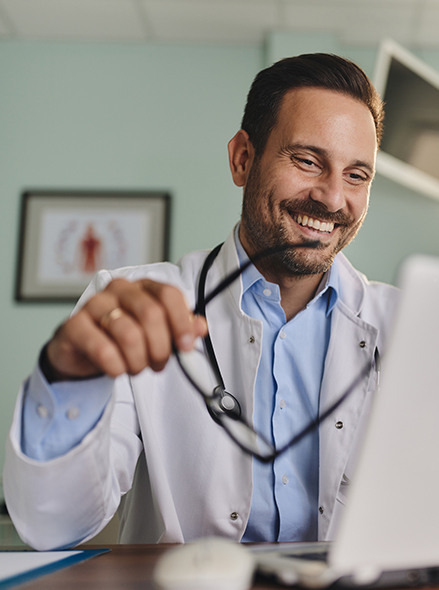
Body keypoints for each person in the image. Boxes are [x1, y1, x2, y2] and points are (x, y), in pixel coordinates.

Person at [3, 53, 399, 551]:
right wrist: (66, 384)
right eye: (307, 161)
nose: (333, 198)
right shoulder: (130, 306)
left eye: (357, 175)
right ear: (242, 159)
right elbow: (54, 527)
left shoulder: (407, 325)